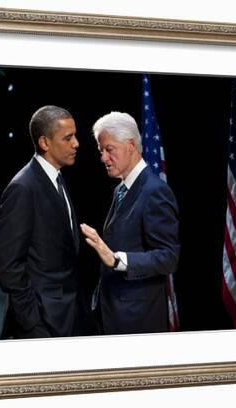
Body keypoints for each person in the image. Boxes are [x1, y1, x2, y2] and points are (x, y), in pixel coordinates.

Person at [80, 111, 180, 335]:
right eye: (101, 151)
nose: (103, 158)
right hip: (113, 313)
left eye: (109, 150)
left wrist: (117, 260)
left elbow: (168, 257)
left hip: (138, 322)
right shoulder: (120, 190)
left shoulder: (156, 191)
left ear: (131, 145)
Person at [0, 105, 80, 339]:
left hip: (64, 315)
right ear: (44, 143)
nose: (76, 144)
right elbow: (7, 266)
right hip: (41, 322)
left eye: (75, 136)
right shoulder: (23, 187)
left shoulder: (56, 179)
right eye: (68, 138)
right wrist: (33, 322)